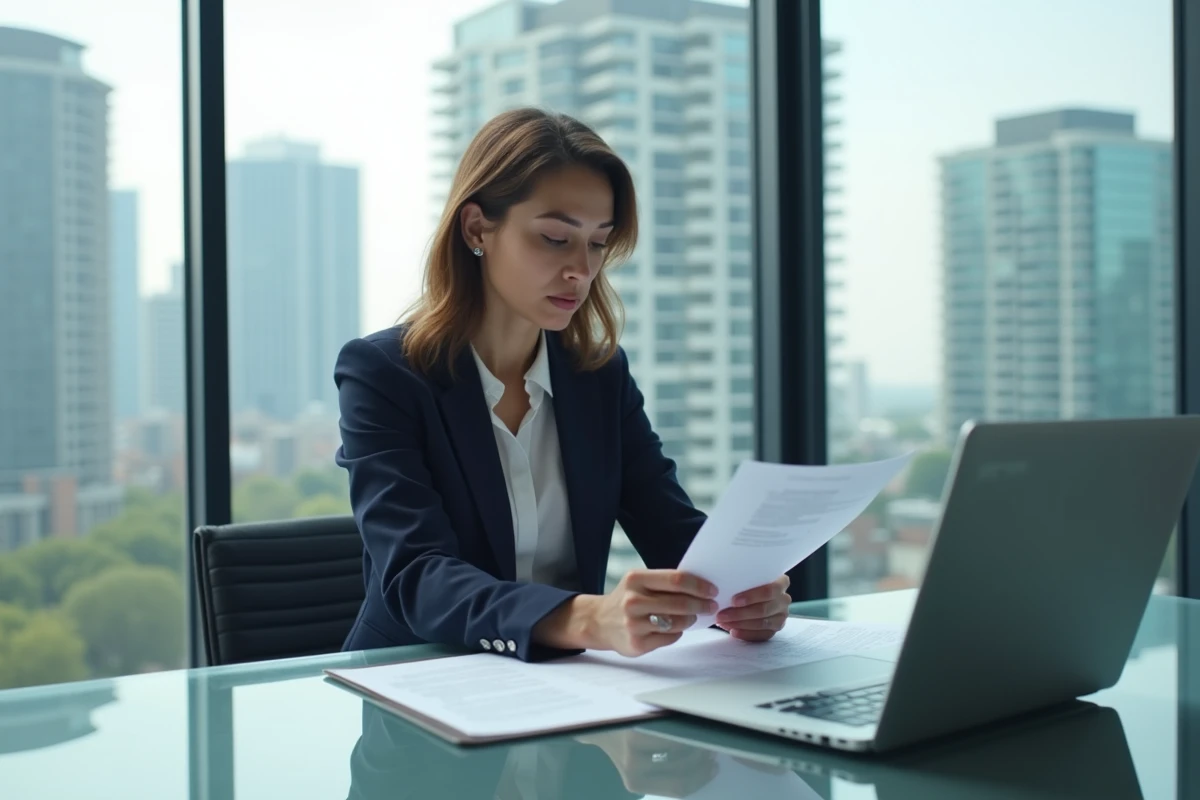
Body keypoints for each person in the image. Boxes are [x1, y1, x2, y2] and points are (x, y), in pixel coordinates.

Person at [334, 107, 791, 663]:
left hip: (566, 693)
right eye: (555, 238)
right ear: (477, 227)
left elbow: (670, 526)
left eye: (598, 243)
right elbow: (418, 577)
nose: (582, 269)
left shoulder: (598, 376)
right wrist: (588, 617)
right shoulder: (384, 374)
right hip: (419, 685)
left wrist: (739, 592)